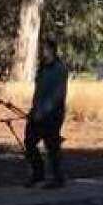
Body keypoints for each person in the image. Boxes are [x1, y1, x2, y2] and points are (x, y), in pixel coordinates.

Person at [25, 38, 69, 188]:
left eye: (44, 49)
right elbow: (38, 92)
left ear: (52, 50)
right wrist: (34, 109)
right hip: (37, 111)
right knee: (29, 142)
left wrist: (43, 112)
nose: (42, 52)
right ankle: (38, 174)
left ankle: (58, 178)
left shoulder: (59, 69)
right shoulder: (42, 68)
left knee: (52, 146)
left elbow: (57, 95)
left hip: (53, 114)